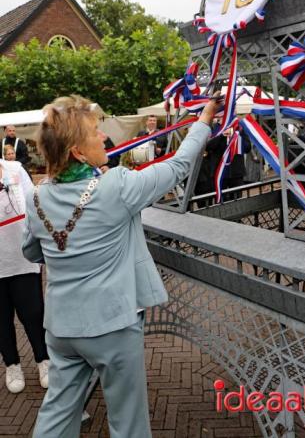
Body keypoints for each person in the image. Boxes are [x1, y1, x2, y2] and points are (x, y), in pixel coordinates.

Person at [22, 94, 219, 438]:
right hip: (111, 325)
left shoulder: (36, 195)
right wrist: (204, 120)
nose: (103, 137)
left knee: (58, 410)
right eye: (95, 133)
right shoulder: (117, 186)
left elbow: (33, 251)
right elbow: (178, 166)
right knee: (128, 421)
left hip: (61, 327)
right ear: (77, 153)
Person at [0, 158, 49, 394]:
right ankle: (12, 365)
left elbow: (35, 206)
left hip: (22, 259)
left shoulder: (15, 169)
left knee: (34, 314)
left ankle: (44, 361)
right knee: (1, 320)